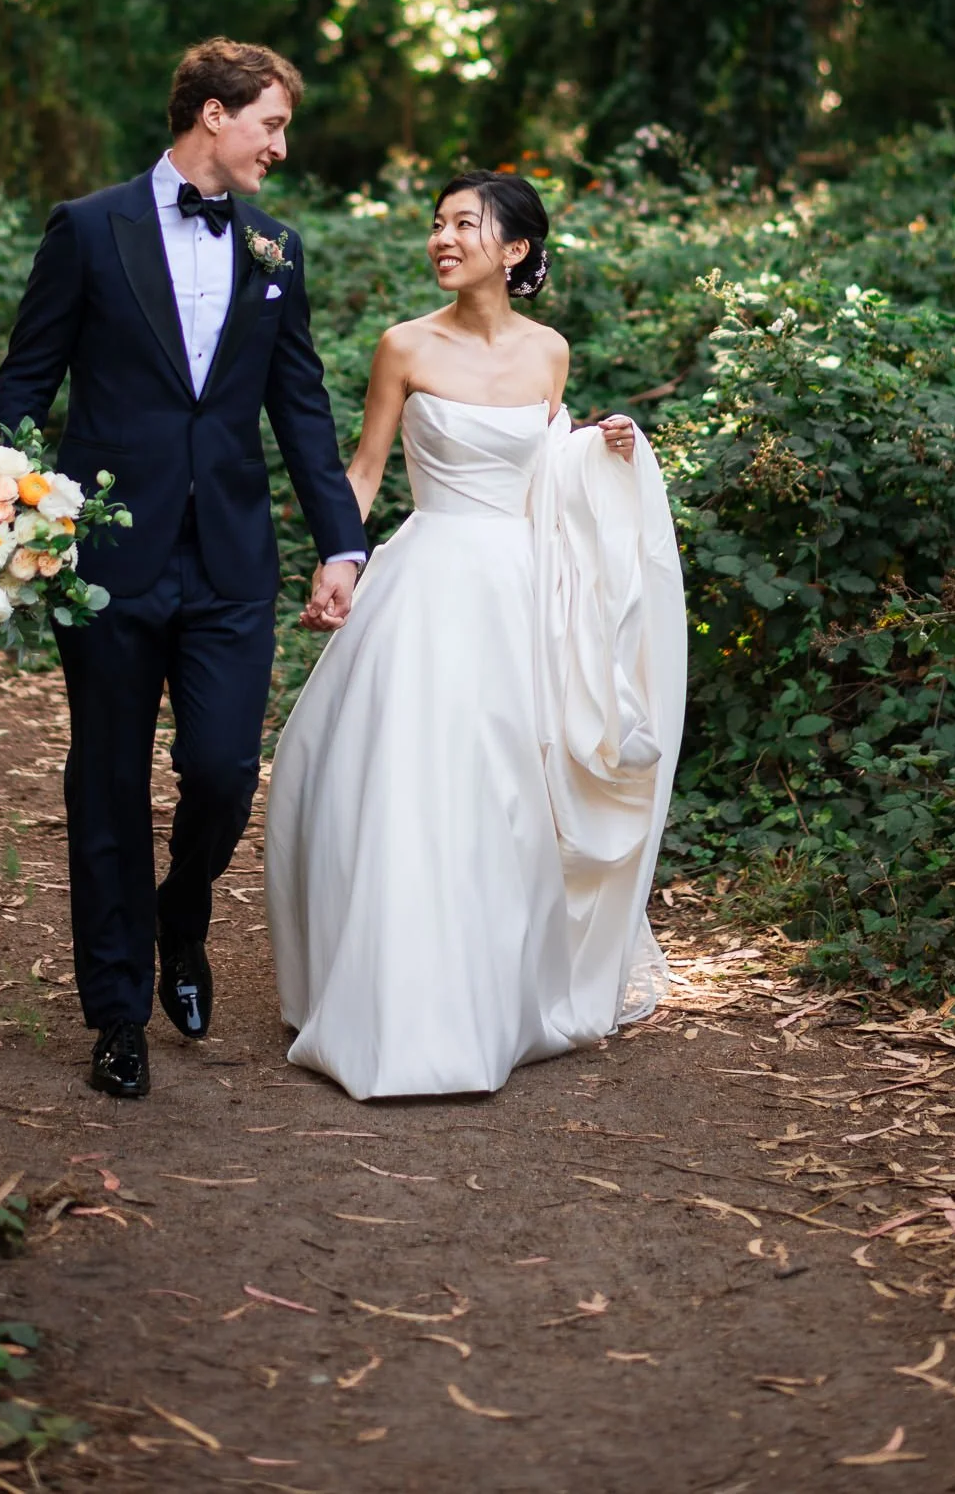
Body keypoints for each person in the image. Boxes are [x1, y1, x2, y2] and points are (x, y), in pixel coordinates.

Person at [0, 38, 366, 1099]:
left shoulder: (275, 251)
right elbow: (24, 383)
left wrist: (339, 540)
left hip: (230, 563)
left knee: (220, 771)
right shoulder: (87, 228)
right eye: (270, 125)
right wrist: (5, 504)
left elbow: (299, 405)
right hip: (104, 563)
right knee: (107, 781)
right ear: (212, 114)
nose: (279, 148)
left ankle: (181, 908)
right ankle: (116, 1012)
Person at [266, 171, 687, 1101]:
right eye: (437, 223)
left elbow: (553, 476)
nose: (442, 238)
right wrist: (340, 560)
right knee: (408, 777)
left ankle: (499, 992)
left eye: (465, 223)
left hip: (525, 594)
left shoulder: (548, 354)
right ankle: (391, 994)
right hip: (428, 581)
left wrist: (604, 451)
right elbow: (366, 468)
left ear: (517, 249)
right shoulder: (403, 346)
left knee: (513, 789)